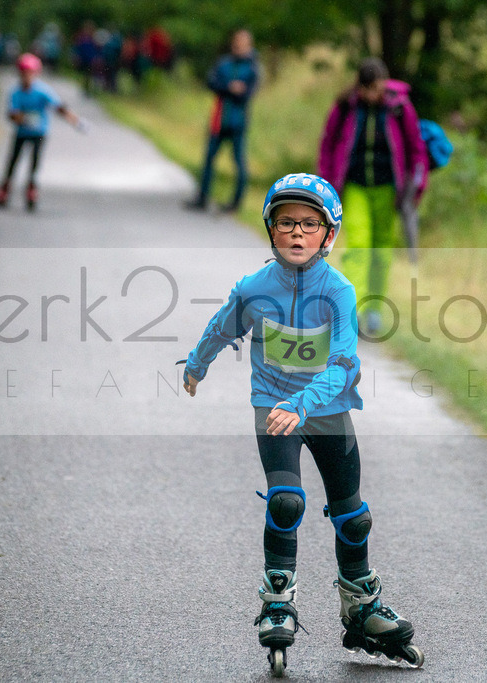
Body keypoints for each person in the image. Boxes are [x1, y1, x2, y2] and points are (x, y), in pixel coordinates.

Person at [179, 173, 424, 676]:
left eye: (309, 224)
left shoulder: (338, 292)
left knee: (353, 516)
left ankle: (361, 606)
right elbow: (222, 325)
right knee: (287, 500)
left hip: (326, 411)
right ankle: (277, 598)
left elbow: (343, 365)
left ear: (328, 235)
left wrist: (303, 405)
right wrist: (196, 364)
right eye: (286, 222)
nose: (296, 232)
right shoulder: (254, 288)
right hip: (272, 406)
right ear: (271, 230)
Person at [318, 57, 429, 335]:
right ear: (359, 86)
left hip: (389, 189)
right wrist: (327, 185)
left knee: (381, 252)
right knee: (358, 246)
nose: (372, 95)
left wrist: (416, 187)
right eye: (367, 89)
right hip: (354, 187)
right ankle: (350, 311)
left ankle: (375, 309)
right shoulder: (346, 106)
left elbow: (416, 148)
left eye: (376, 88)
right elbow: (328, 144)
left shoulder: (400, 108)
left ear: (384, 84)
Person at [0, 53, 80, 211]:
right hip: (22, 132)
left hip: (39, 133)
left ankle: (31, 189)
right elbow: (12, 113)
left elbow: (58, 107)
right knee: (13, 161)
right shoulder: (16, 92)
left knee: (34, 163)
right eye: (23, 74)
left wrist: (74, 120)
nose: (26, 78)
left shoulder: (42, 91)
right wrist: (20, 118)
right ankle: (5, 189)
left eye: (30, 74)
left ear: (35, 74)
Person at [183, 29, 259, 213]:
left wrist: (241, 90)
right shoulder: (223, 63)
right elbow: (211, 82)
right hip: (219, 119)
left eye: (242, 43)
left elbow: (250, 92)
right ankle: (202, 197)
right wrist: (228, 87)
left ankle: (235, 203)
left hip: (238, 122)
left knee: (239, 162)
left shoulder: (253, 68)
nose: (238, 46)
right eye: (236, 42)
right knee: (209, 159)